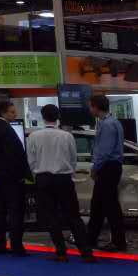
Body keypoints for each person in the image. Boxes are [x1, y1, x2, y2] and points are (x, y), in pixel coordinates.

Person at [27, 104, 94, 263]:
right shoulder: (67, 136)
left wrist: (38, 173)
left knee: (51, 217)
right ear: (58, 117)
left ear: (43, 117)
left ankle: (61, 252)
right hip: (63, 179)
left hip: (43, 179)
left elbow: (31, 160)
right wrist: (69, 172)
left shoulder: (34, 136)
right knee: (73, 216)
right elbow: (73, 158)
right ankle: (86, 253)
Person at [0, 100, 31, 256]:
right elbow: (15, 155)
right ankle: (17, 246)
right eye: (12, 112)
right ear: (3, 112)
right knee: (15, 213)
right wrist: (22, 175)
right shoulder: (6, 129)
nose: (15, 114)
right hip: (12, 179)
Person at [86, 93, 127, 251]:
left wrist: (95, 168)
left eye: (90, 106)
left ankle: (118, 242)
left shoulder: (108, 125)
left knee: (110, 206)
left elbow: (105, 151)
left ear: (96, 107)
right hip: (111, 166)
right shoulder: (111, 122)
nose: (90, 109)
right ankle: (91, 239)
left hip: (108, 167)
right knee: (98, 204)